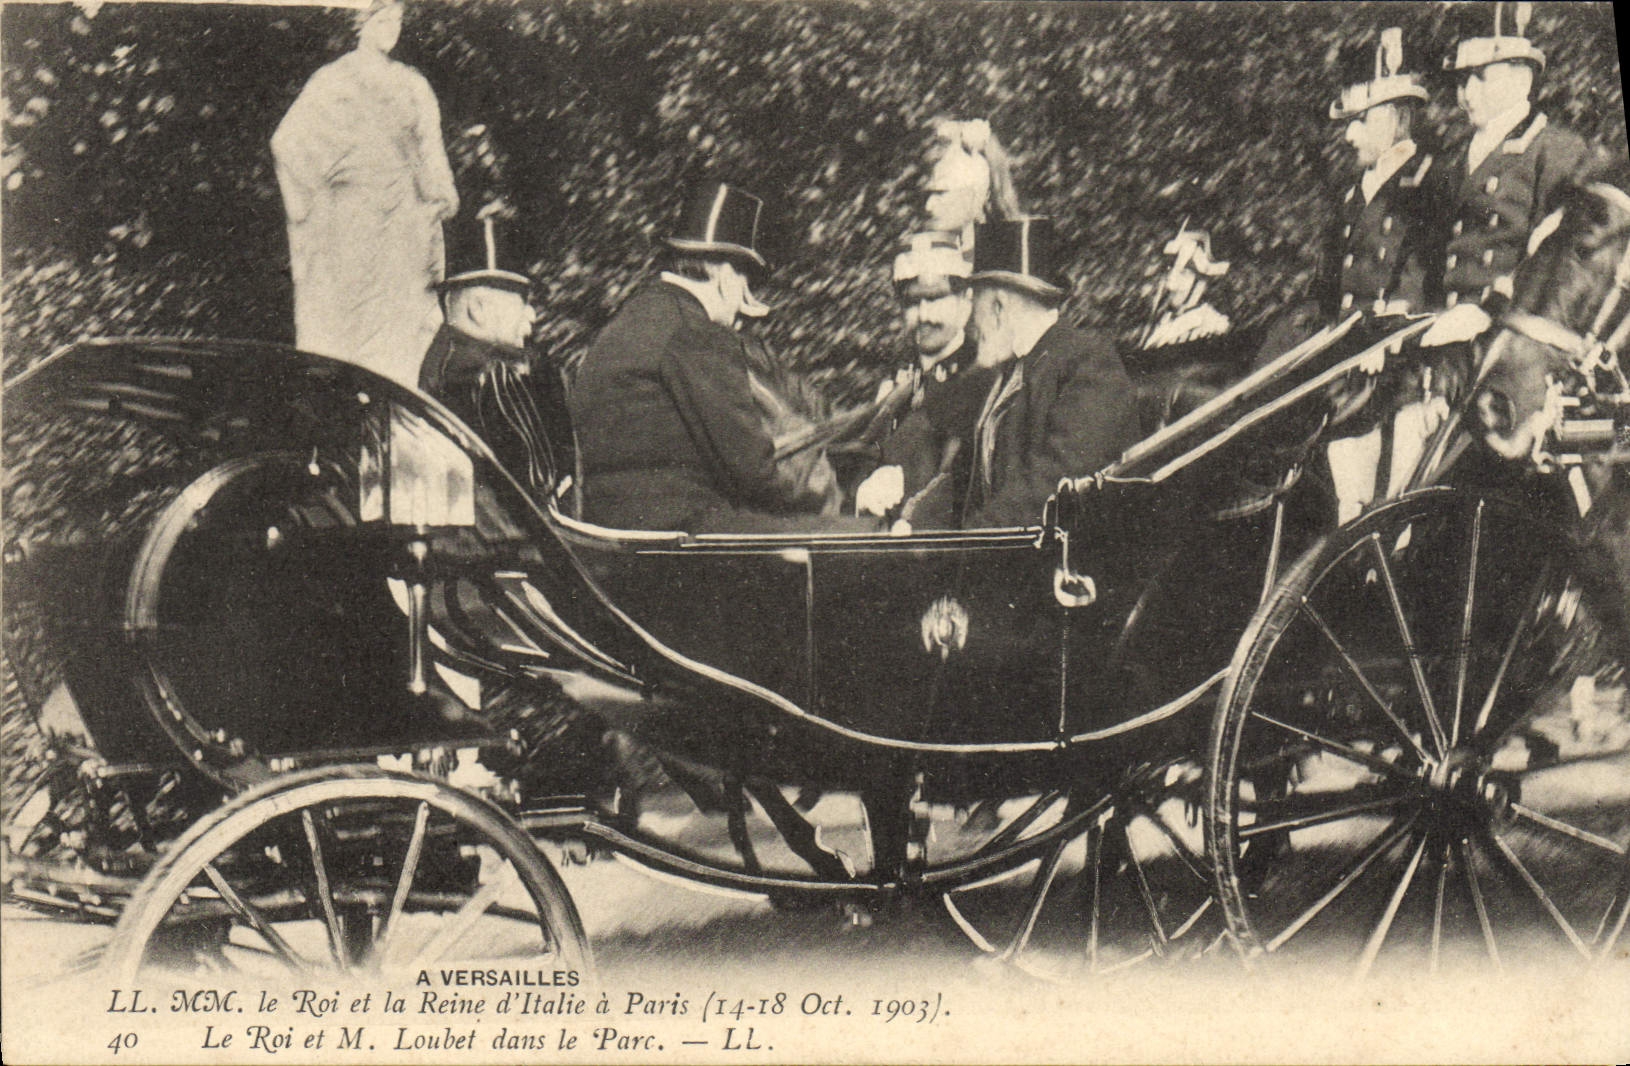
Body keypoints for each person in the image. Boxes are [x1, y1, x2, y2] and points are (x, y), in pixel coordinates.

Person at [569, 181, 871, 533]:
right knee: (867, 537)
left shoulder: (631, 320)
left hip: (616, 525)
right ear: (726, 274)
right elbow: (754, 470)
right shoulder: (695, 332)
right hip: (683, 528)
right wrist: (844, 495)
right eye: (747, 278)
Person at [272, 0, 459, 387]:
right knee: (351, 314)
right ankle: (347, 391)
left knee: (402, 315)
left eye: (397, 21)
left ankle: (397, 390)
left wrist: (441, 192)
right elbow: (288, 141)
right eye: (382, 19)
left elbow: (430, 146)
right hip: (351, 213)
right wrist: (319, 190)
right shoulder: (333, 80)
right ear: (362, 23)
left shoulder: (412, 83)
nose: (391, 28)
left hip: (404, 216)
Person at [1316, 26, 1452, 521]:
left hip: (1408, 380)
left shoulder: (1434, 182)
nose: (1349, 134)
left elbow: (1432, 273)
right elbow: (1328, 289)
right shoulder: (1351, 195)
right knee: (1345, 511)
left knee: (1395, 518)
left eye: (1360, 121)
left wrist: (1392, 325)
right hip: (1351, 378)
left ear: (1398, 118)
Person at [1425, 1, 1606, 347]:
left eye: (1480, 77)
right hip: (1443, 326)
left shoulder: (1554, 149)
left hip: (1509, 335)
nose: (1467, 94)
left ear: (1522, 79)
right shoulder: (1456, 157)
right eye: (1462, 80)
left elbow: (1558, 255)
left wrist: (1493, 306)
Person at [923, 118, 1022, 258]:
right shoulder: (927, 260)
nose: (929, 206)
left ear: (978, 196)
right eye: (930, 195)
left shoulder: (1000, 270)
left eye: (941, 193)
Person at [1141, 225, 1234, 350]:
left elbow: (1202, 239)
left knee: (1185, 303)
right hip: (1183, 301)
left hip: (1188, 301)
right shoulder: (1182, 255)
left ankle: (1153, 341)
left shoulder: (1191, 256)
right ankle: (1151, 343)